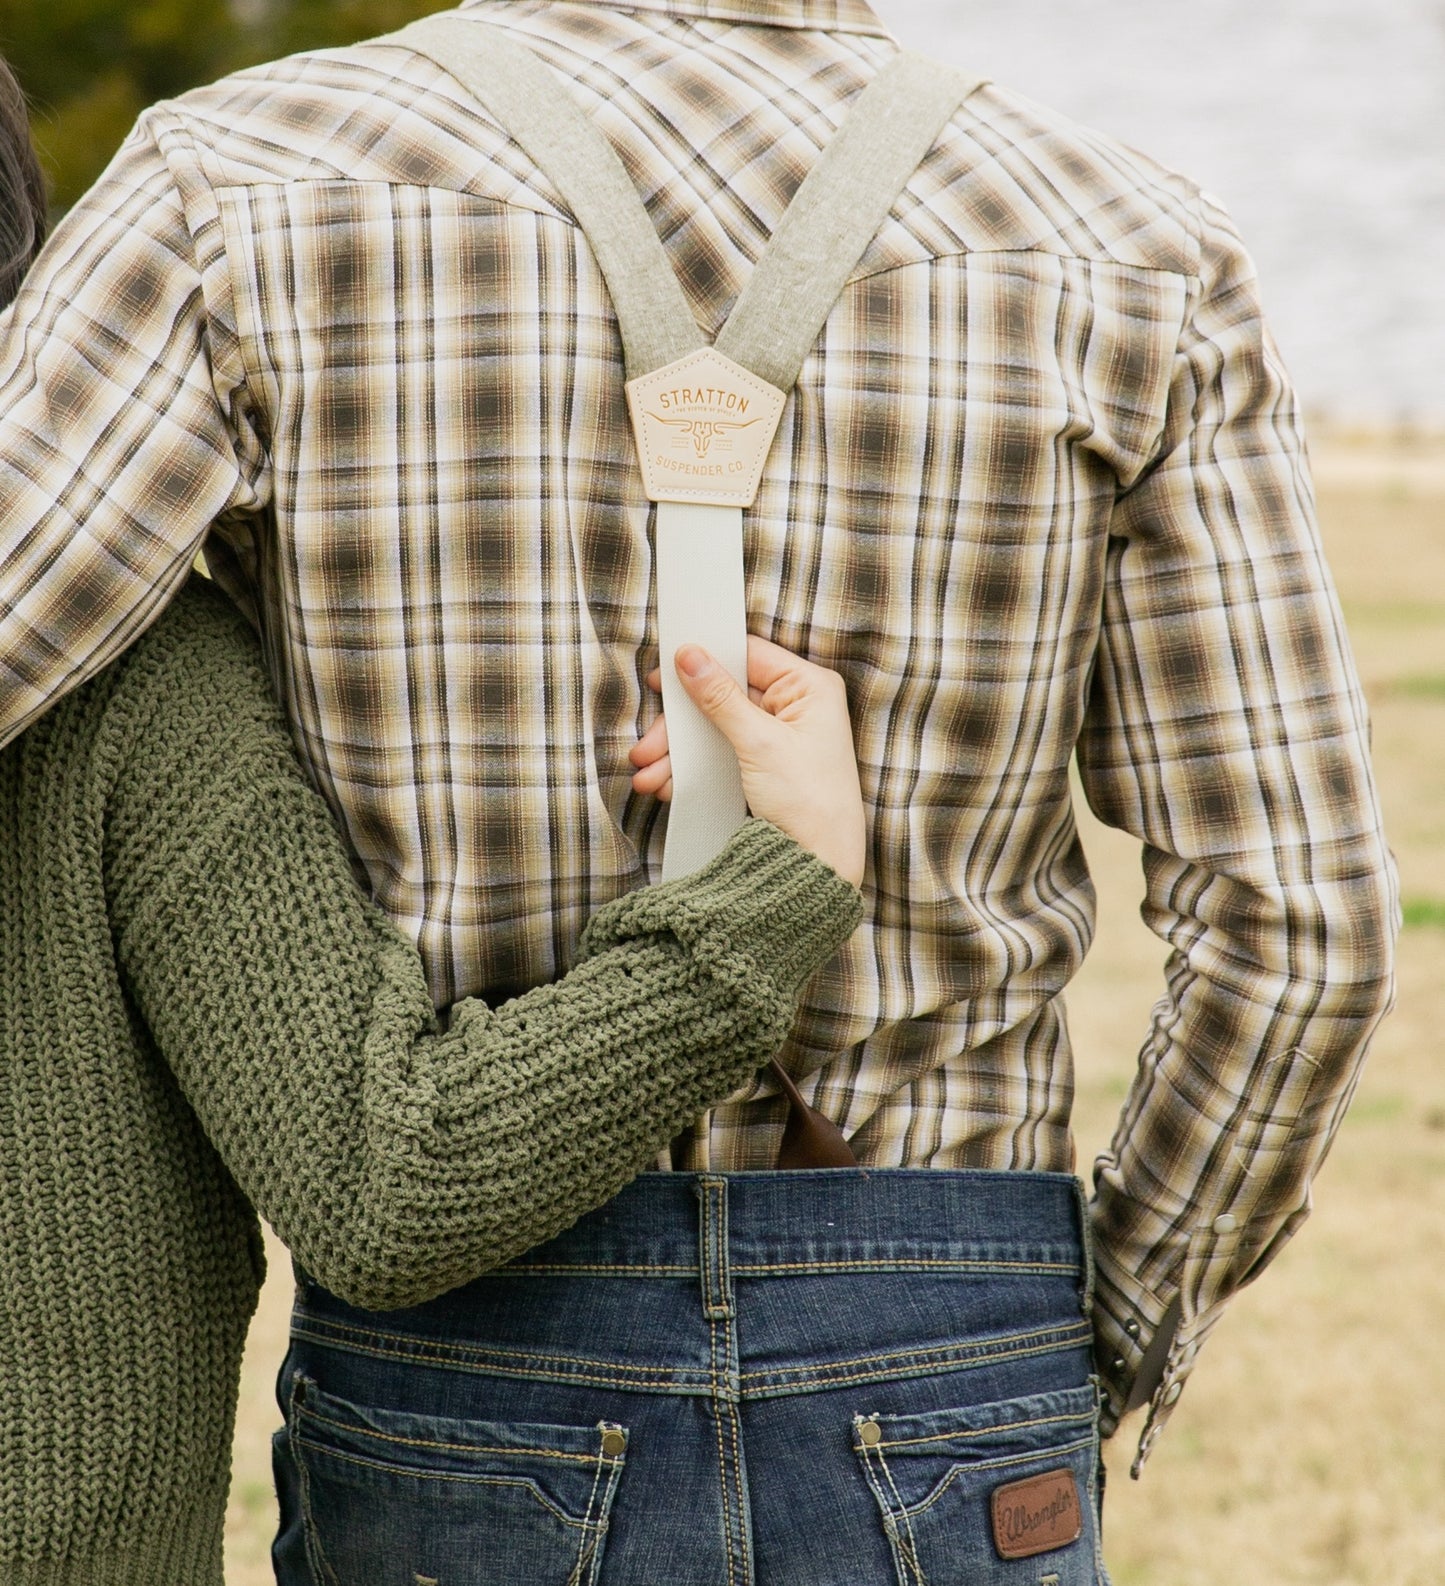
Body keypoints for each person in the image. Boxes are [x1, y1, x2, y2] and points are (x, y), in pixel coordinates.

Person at [0, 2, 1396, 1579]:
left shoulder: (232, 188)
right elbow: (1305, 934)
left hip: (468, 1341)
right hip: (950, 1349)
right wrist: (1076, 1329)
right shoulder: (1136, 248)